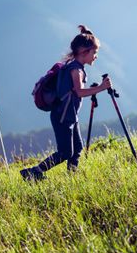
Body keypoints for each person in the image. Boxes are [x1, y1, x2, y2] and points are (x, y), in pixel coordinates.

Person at [20, 25, 112, 181]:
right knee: (65, 152)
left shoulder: (75, 66)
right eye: (94, 52)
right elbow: (79, 92)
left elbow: (75, 91)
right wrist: (101, 88)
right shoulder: (76, 70)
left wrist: (93, 89)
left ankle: (72, 178)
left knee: (77, 149)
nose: (96, 56)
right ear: (84, 52)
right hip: (63, 116)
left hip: (67, 115)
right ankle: (34, 172)